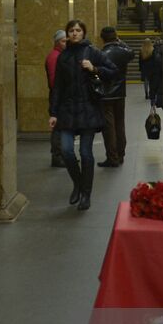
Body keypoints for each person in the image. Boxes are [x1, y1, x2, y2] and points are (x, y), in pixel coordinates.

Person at [48, 19, 117, 211]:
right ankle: (78, 184)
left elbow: (113, 70)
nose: (75, 33)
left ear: (83, 33)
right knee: (67, 151)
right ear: (67, 34)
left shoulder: (92, 52)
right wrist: (53, 113)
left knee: (86, 153)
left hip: (88, 110)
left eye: (78, 30)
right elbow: (58, 88)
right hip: (67, 111)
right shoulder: (63, 57)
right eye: (71, 31)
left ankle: (86, 194)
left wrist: (94, 68)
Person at [96, 26, 134, 167]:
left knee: (109, 128)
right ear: (116, 36)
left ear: (102, 38)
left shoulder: (101, 54)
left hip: (106, 95)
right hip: (120, 94)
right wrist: (121, 42)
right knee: (120, 125)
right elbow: (131, 52)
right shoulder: (124, 52)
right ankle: (121, 154)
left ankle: (112, 157)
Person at [44, 28, 67, 168]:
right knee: (58, 128)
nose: (66, 44)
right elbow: (54, 81)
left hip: (61, 96)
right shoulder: (54, 57)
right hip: (58, 97)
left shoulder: (61, 55)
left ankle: (62, 155)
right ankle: (57, 156)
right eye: (63, 41)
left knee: (63, 127)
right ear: (58, 42)